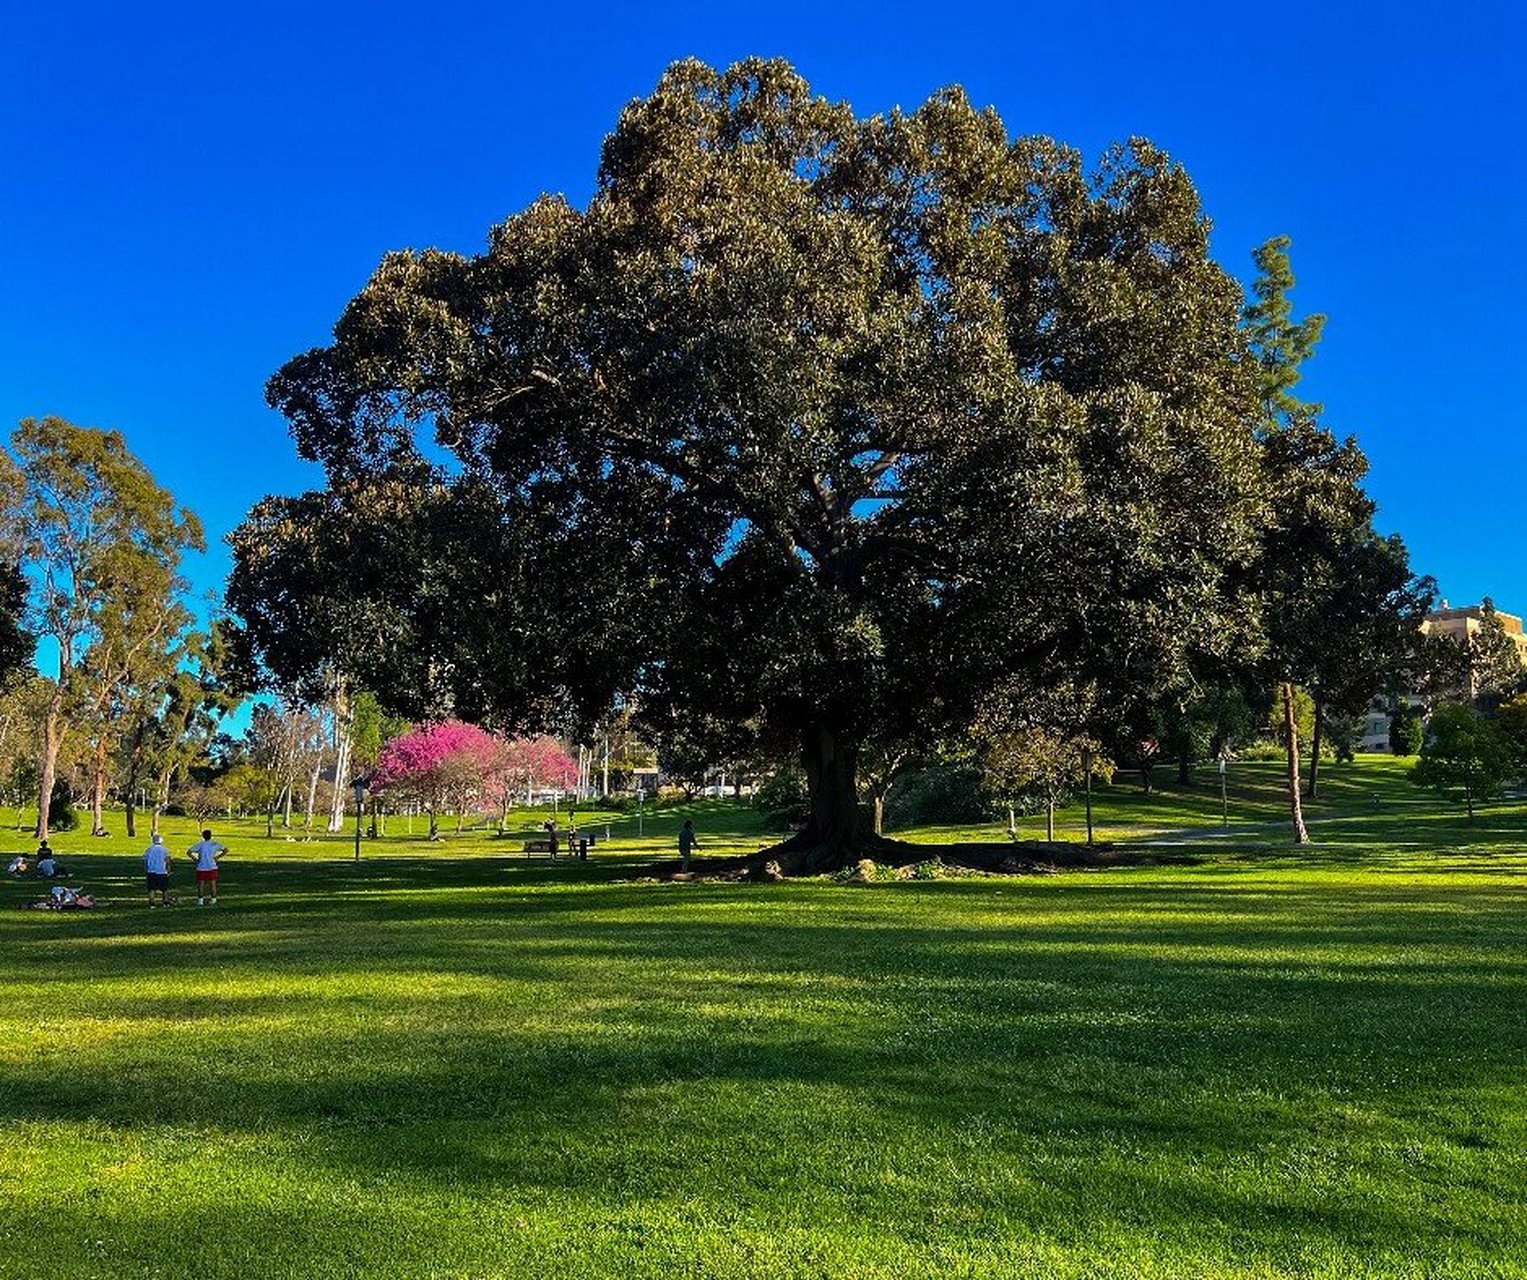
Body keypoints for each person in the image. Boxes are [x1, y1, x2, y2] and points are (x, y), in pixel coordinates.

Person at [186, 828, 227, 906]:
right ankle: (213, 899)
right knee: (213, 884)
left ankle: (200, 900)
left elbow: (189, 852)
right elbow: (225, 850)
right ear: (211, 836)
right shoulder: (215, 844)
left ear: (203, 836)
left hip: (201, 867)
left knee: (201, 884)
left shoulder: (200, 844)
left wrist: (195, 859)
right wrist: (217, 857)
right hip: (212, 866)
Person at [143, 832, 172, 907]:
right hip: (162, 871)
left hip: (151, 871)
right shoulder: (164, 850)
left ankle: (152, 904)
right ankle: (165, 902)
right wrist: (168, 870)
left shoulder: (149, 850)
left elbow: (145, 861)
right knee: (165, 888)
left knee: (151, 888)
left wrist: (146, 869)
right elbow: (168, 861)